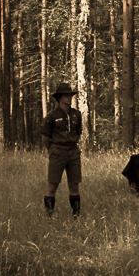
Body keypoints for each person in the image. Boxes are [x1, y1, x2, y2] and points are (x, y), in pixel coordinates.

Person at [42, 82, 84, 216]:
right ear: (60, 98)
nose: (69, 98)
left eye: (70, 95)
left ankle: (76, 216)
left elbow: (78, 133)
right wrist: (53, 150)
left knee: (74, 185)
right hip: (57, 151)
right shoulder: (51, 116)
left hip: (73, 152)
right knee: (52, 185)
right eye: (66, 96)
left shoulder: (76, 114)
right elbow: (45, 137)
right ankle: (49, 215)